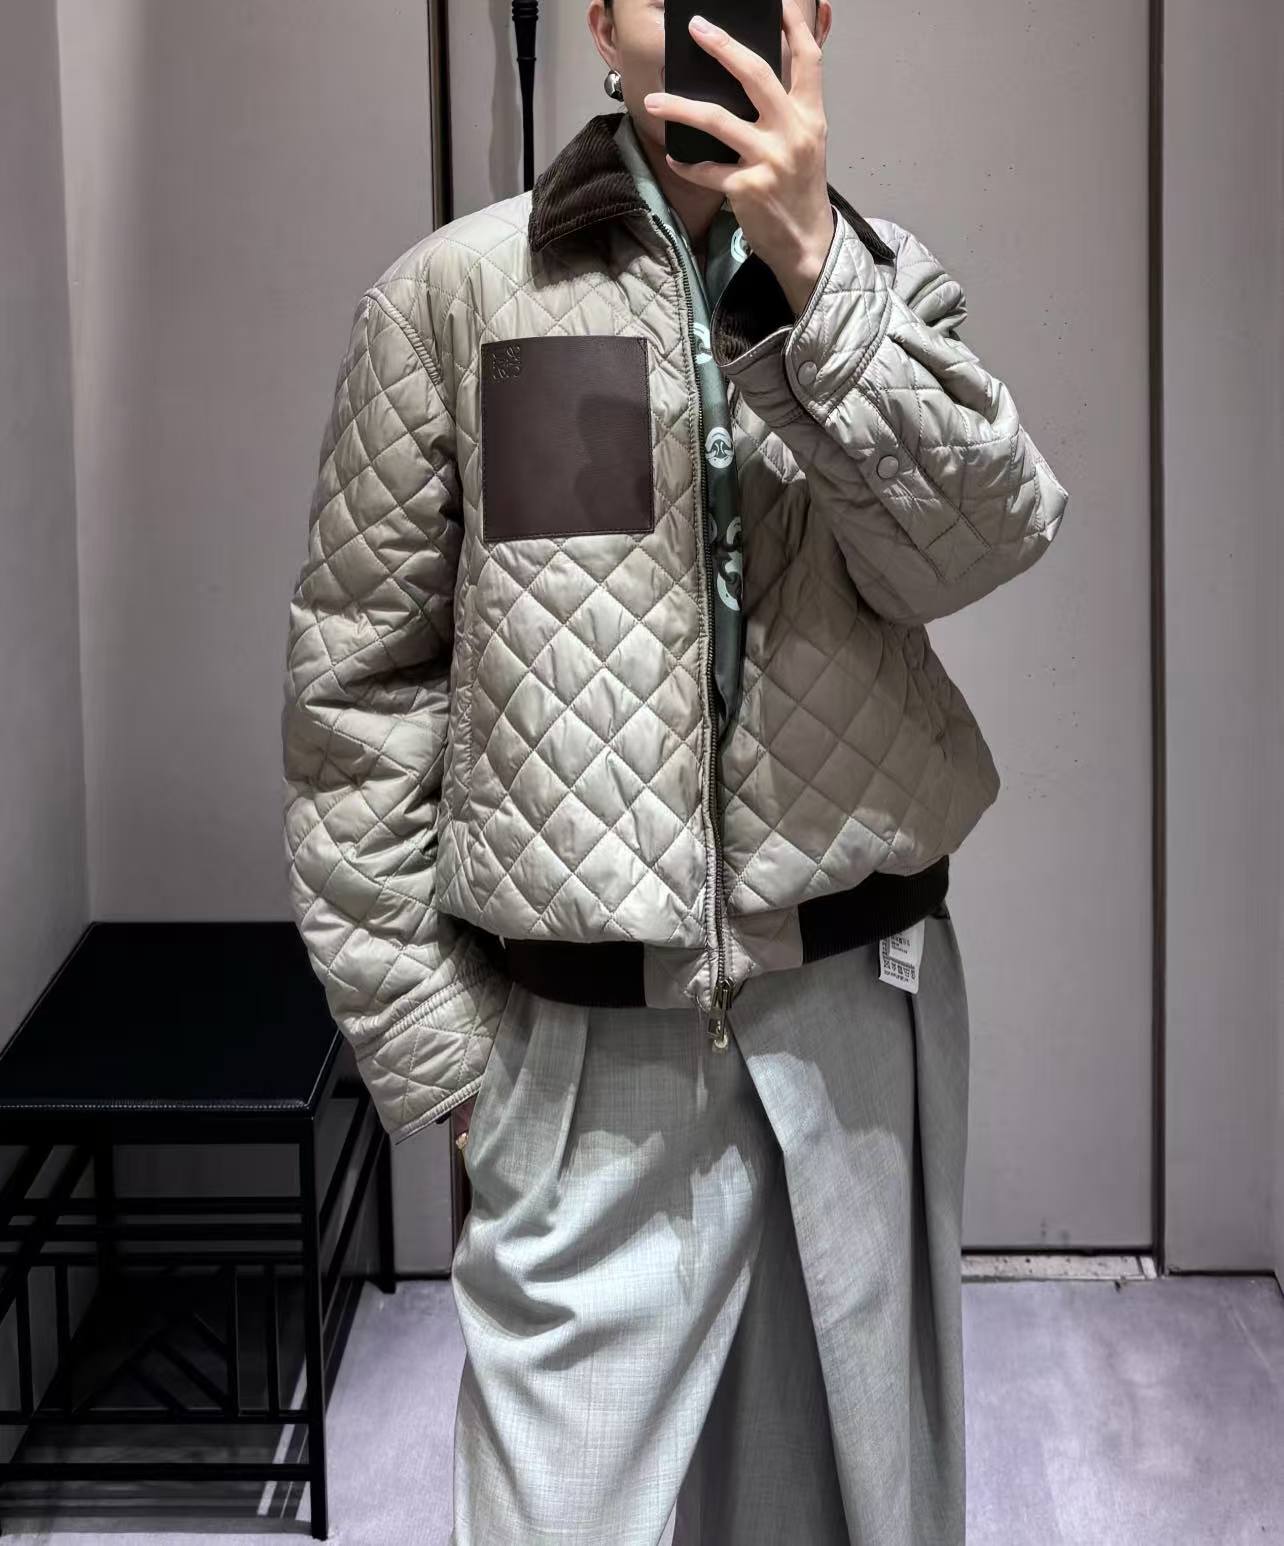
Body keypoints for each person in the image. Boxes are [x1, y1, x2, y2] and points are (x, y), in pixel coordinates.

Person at [280, 1, 1069, 1540]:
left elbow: (978, 544)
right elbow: (354, 708)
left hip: (857, 1026)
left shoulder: (886, 285)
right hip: (579, 1057)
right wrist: (446, 1056)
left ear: (816, 18)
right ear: (597, 19)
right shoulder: (456, 296)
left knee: (851, 1506)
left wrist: (816, 280)